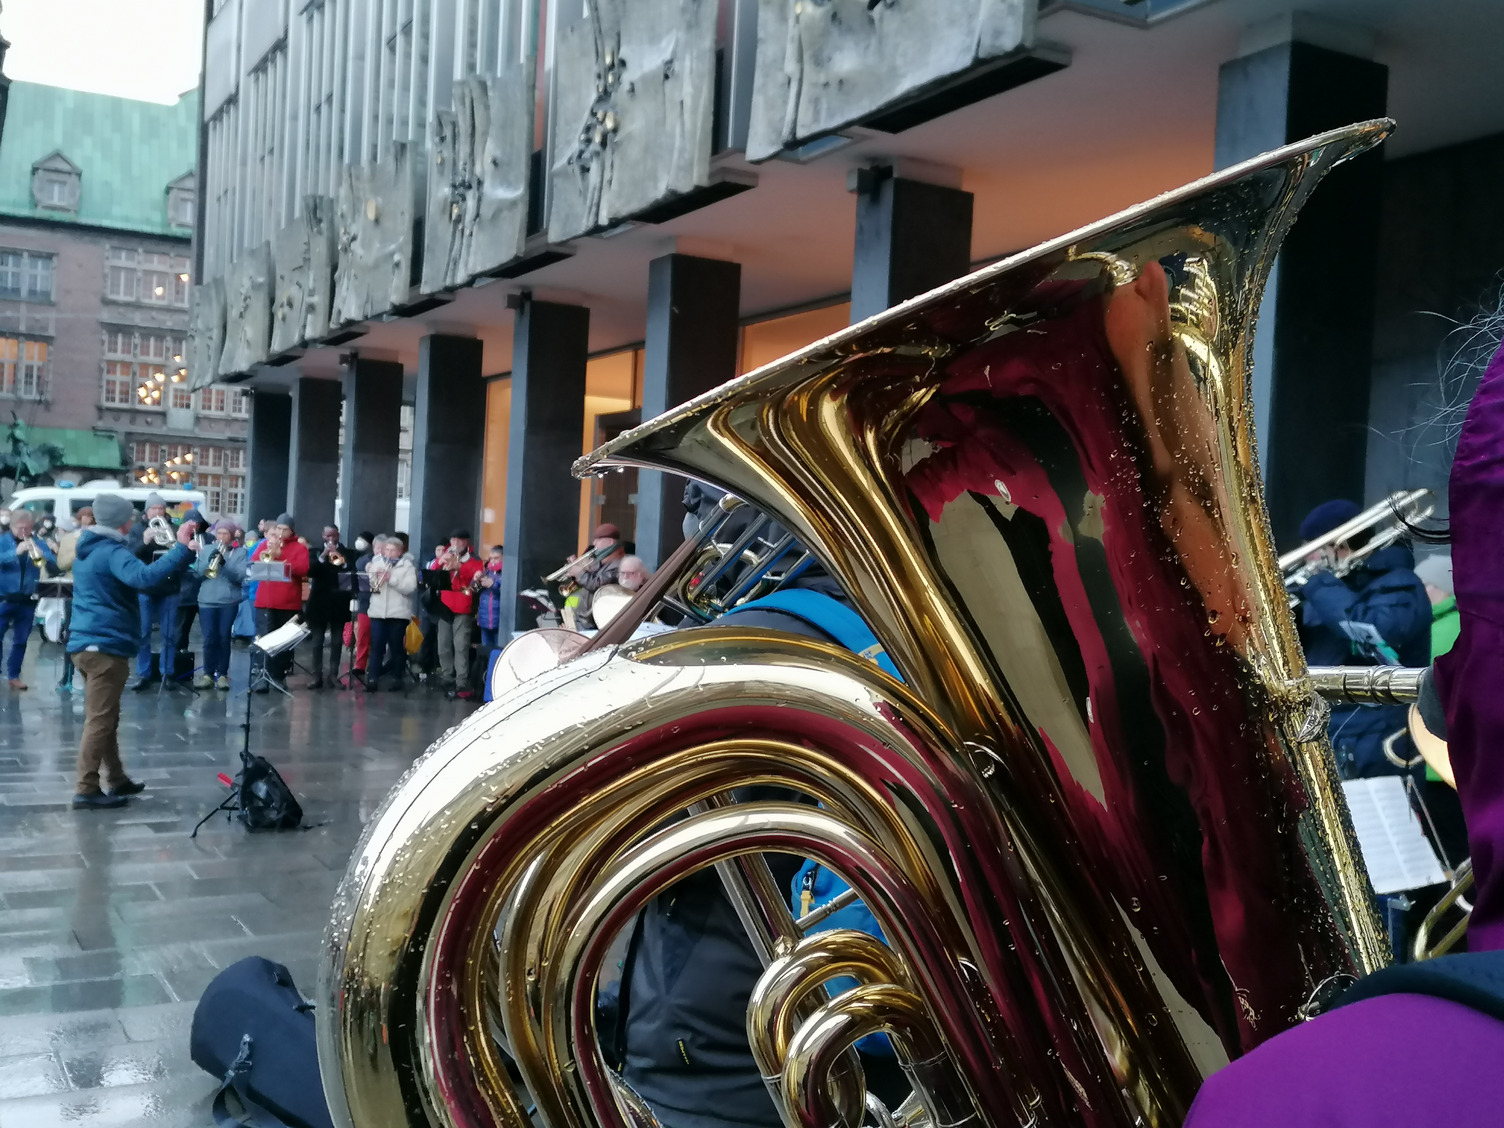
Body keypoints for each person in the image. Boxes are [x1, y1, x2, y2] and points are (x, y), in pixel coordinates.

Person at [68, 493, 195, 808]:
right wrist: (180, 548)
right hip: (105, 645)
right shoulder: (111, 552)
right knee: (99, 720)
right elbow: (144, 577)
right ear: (124, 521)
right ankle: (86, 789)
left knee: (106, 717)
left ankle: (117, 778)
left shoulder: (87, 548)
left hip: (86, 642)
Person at [1293, 498, 1430, 779]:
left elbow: (1376, 631)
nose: (1306, 559)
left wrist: (1319, 584)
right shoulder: (1328, 589)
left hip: (1379, 737)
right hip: (1329, 730)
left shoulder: (1400, 583)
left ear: (1338, 547)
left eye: (1311, 549)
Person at [249, 513, 310, 689]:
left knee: (284, 642)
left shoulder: (300, 548)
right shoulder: (264, 545)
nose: (281, 533)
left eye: (285, 529)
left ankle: (278, 676)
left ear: (292, 531)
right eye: (279, 529)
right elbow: (254, 564)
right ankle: (263, 674)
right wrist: (269, 551)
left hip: (288, 602)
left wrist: (280, 556)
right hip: (264, 601)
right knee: (264, 639)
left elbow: (303, 569)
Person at [128, 493, 182, 690]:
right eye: (154, 509)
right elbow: (130, 556)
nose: (158, 512)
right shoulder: (136, 530)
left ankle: (167, 673)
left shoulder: (174, 529)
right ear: (147, 511)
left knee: (169, 634)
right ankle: (144, 674)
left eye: (161, 508)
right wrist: (143, 541)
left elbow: (181, 556)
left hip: (169, 587)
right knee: (143, 633)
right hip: (144, 587)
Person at [0, 508, 58, 690]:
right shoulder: (2, 542)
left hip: (27, 599)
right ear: (11, 526)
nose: (24, 533)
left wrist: (41, 555)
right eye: (20, 528)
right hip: (4, 598)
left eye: (27, 528)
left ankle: (14, 675)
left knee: (21, 640)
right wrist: (15, 553)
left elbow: (51, 566)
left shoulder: (37, 542)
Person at [193, 520, 247, 690]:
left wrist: (224, 564)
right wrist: (208, 562)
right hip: (207, 600)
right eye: (219, 533)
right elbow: (197, 574)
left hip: (228, 601)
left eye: (226, 534)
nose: (222, 537)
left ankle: (222, 674)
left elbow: (239, 577)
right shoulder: (207, 549)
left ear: (231, 536)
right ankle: (208, 674)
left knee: (224, 638)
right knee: (209, 638)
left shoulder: (239, 553)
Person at [434, 529, 483, 699]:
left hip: (463, 605)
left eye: (459, 541)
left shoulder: (475, 559)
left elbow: (475, 577)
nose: (455, 544)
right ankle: (447, 675)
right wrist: (440, 562)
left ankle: (461, 680)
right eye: (453, 540)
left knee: (461, 645)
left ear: (466, 542)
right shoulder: (447, 554)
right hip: (444, 605)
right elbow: (433, 573)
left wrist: (460, 567)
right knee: (443, 644)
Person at [305, 524, 355, 689]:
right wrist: (324, 555)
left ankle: (334, 675)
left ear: (338, 535)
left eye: (333, 535)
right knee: (317, 641)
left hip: (338, 601)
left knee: (336, 640)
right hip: (319, 601)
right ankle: (316, 675)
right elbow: (311, 571)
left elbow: (351, 572)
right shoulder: (315, 552)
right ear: (323, 536)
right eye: (327, 536)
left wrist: (340, 557)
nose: (331, 539)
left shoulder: (347, 552)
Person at [365, 535, 416, 692]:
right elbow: (372, 586)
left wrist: (391, 578)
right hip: (378, 612)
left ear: (399, 551)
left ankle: (397, 678)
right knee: (377, 647)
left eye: (392, 550)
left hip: (398, 613)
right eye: (386, 549)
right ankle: (373, 678)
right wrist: (373, 575)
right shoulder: (377, 562)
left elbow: (410, 588)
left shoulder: (407, 566)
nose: (388, 553)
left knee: (396, 648)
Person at [566, 523, 626, 630]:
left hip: (594, 621)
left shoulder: (619, 564)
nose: (594, 543)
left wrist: (580, 573)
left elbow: (597, 584)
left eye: (598, 540)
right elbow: (587, 581)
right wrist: (577, 569)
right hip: (585, 618)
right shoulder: (601, 561)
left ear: (610, 542)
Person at [1414, 552, 1459, 658]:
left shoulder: (1450, 627)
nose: (1417, 591)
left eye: (1423, 585)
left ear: (1443, 587)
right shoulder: (1436, 618)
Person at [349, 531, 375, 682]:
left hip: (380, 605)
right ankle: (360, 665)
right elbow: (357, 573)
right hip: (365, 602)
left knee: (377, 638)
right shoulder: (363, 560)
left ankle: (374, 665)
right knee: (362, 635)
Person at [475, 545, 505, 652]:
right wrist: (476, 580)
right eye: (491, 558)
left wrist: (493, 585)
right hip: (485, 618)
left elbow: (507, 591)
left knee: (499, 651)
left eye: (496, 558)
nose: (492, 561)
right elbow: (474, 590)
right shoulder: (487, 571)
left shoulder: (506, 572)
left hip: (500, 620)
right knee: (486, 651)